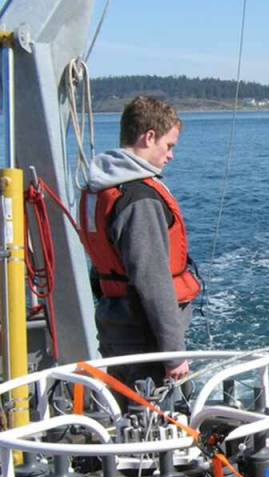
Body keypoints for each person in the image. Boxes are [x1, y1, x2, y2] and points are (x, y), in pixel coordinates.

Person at [80, 96, 200, 388]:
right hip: (145, 336)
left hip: (115, 325)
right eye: (168, 146)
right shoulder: (138, 198)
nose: (170, 155)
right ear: (149, 137)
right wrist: (174, 355)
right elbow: (153, 281)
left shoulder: (97, 189)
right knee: (157, 420)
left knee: (127, 415)